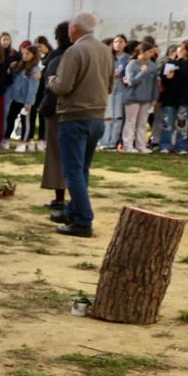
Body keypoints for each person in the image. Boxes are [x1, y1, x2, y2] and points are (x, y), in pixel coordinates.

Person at [49, 12, 112, 237]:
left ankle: (83, 221)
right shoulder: (105, 50)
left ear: (74, 30)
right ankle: (74, 211)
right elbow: (110, 84)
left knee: (73, 171)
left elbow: (64, 85)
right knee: (82, 169)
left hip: (75, 116)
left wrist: (51, 81)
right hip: (97, 116)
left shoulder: (74, 51)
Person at [38, 23, 72, 208]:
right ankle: (70, 198)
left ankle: (60, 197)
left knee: (57, 154)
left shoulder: (58, 59)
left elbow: (53, 87)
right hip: (79, 110)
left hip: (59, 109)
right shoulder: (85, 55)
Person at [122, 42, 160, 154]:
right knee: (130, 122)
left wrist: (154, 97)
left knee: (142, 123)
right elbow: (131, 81)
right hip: (132, 98)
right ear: (142, 52)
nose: (151, 54)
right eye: (149, 51)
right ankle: (127, 145)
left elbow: (155, 83)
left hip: (147, 98)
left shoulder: (152, 65)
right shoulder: (132, 64)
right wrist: (142, 72)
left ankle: (141, 145)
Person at [4, 44, 42, 149]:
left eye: (28, 54)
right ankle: (6, 139)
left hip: (26, 101)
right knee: (10, 118)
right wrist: (11, 68)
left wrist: (28, 102)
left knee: (25, 122)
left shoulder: (35, 70)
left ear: (34, 55)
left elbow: (32, 88)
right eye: (23, 53)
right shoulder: (20, 66)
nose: (24, 56)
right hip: (16, 98)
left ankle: (24, 143)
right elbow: (14, 80)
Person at [102, 34, 131, 151]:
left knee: (118, 116)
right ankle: (104, 141)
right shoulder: (108, 57)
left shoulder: (128, 58)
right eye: (116, 42)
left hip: (121, 88)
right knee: (108, 115)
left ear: (125, 43)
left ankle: (113, 142)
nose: (118, 44)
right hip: (109, 87)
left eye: (121, 41)